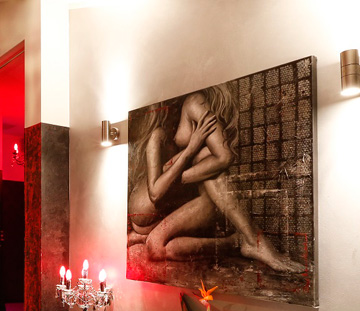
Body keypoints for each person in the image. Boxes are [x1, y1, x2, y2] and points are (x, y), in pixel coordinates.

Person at [129, 85, 305, 273]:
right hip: (156, 213)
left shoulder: (193, 102)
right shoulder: (161, 133)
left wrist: (184, 162)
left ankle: (249, 241)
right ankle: (239, 242)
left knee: (156, 247)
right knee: (155, 245)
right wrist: (190, 149)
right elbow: (156, 193)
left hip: (190, 201)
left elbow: (224, 157)